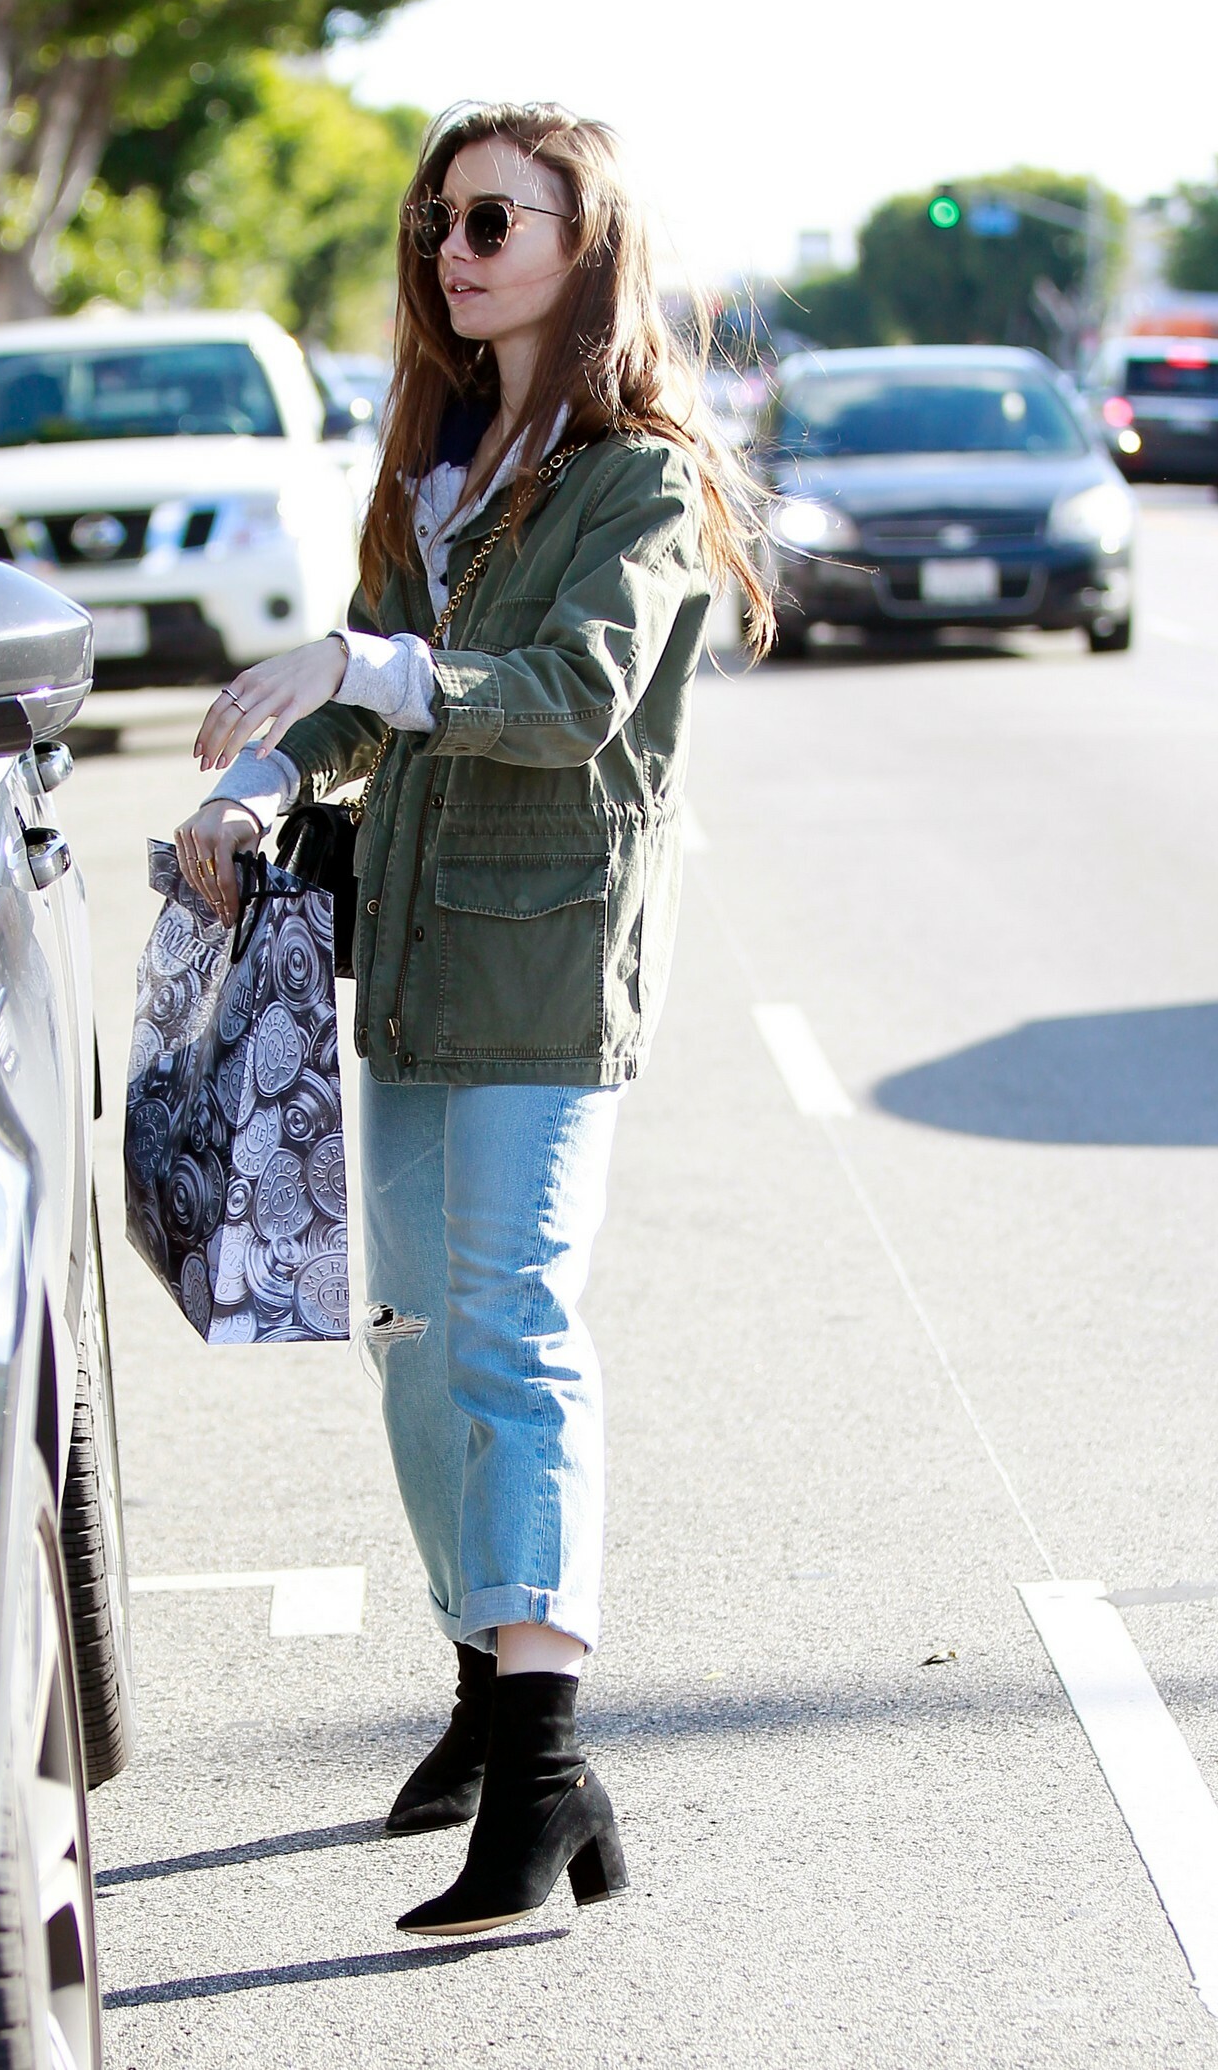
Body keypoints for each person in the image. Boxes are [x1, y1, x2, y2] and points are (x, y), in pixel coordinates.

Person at [173, 101, 772, 1937]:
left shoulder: (641, 480)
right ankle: (483, 1692)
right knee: (414, 1343)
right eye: (440, 217)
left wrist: (370, 664)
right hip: (412, 958)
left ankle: (543, 1761)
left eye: (496, 218)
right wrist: (258, 787)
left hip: (541, 962)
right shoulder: (432, 464)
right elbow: (358, 704)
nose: (455, 246)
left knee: (511, 1333)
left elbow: (568, 694)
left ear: (589, 247)